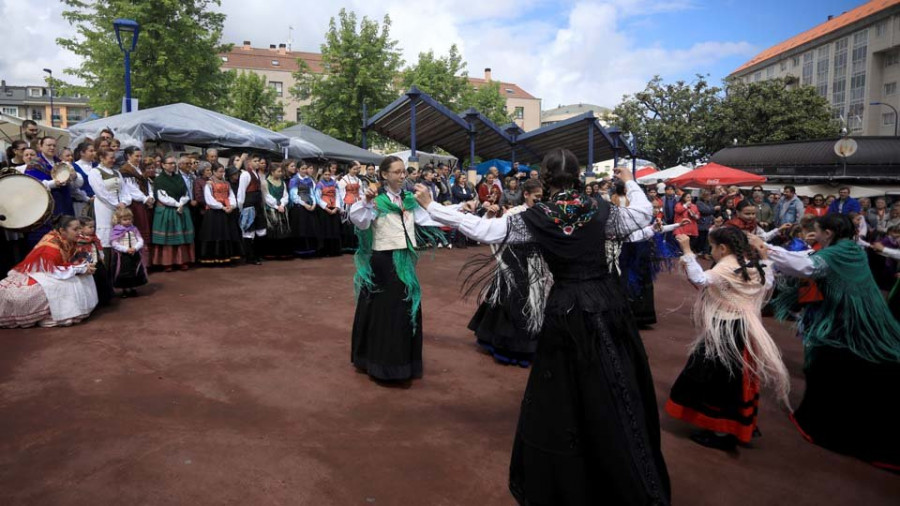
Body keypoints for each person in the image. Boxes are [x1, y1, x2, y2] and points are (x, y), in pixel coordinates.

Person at [417, 149, 670, 505]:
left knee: (565, 395)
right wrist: (631, 184)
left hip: (566, 308)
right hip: (607, 303)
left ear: (546, 178)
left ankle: (571, 477)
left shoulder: (536, 216)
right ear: (579, 175)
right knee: (616, 382)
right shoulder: (602, 210)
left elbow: (483, 229)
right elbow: (643, 215)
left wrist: (432, 206)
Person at [760, 214, 900, 470]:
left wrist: (764, 249)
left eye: (817, 230)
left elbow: (806, 268)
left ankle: (828, 424)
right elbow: (808, 263)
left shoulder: (837, 253)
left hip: (846, 324)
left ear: (829, 232)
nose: (814, 234)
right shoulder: (848, 248)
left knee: (832, 366)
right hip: (844, 319)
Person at [666, 229, 788, 451]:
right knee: (737, 377)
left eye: (712, 247)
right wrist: (765, 256)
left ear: (722, 248)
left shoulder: (726, 264)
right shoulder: (754, 263)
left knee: (719, 377)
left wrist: (687, 251)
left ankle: (721, 430)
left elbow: (700, 279)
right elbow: (768, 284)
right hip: (744, 327)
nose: (711, 251)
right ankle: (735, 424)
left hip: (726, 329)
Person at [347, 155, 445, 382]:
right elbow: (358, 220)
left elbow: (429, 217)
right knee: (385, 311)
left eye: (404, 172)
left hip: (406, 261)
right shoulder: (376, 201)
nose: (402, 176)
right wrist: (366, 202)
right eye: (397, 172)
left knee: (406, 307)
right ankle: (381, 364)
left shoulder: (410, 200)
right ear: (384, 175)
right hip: (384, 262)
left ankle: (403, 362)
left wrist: (462, 211)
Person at [467, 178, 543, 367]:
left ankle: (524, 344)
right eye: (536, 197)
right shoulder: (514, 213)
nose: (540, 200)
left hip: (533, 261)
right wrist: (490, 216)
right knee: (510, 299)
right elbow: (492, 230)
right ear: (526, 195)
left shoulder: (544, 213)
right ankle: (504, 343)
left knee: (530, 301)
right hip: (513, 260)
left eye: (542, 197)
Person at [0, 215, 98, 328]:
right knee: (62, 286)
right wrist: (81, 268)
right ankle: (54, 314)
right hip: (40, 273)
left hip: (51, 271)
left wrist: (83, 265)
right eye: (75, 229)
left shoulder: (66, 239)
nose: (79, 232)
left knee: (82, 277)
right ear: (62, 230)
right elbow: (53, 270)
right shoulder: (50, 247)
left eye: (80, 228)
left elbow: (69, 260)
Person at [151, 156, 195, 271]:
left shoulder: (179, 178)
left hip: (181, 209)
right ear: (163, 165)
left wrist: (181, 203)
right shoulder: (159, 179)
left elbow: (186, 193)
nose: (173, 165)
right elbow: (162, 196)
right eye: (170, 163)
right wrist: (177, 204)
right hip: (168, 209)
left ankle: (182, 260)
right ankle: (167, 262)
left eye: (174, 163)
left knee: (182, 236)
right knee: (168, 237)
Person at [87, 149, 131, 255]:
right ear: (102, 158)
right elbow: (101, 192)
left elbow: (124, 189)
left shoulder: (116, 172)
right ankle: (105, 261)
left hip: (119, 208)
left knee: (120, 233)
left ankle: (119, 263)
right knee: (106, 233)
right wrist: (116, 204)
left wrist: (125, 202)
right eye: (111, 157)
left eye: (114, 157)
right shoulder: (95, 172)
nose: (113, 160)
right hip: (104, 207)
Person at [198, 163, 243, 265]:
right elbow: (209, 199)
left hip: (227, 211)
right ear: (214, 172)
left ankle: (228, 257)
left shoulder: (226, 183)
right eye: (220, 171)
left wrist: (232, 206)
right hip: (214, 212)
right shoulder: (209, 184)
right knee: (215, 234)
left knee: (228, 233)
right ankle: (214, 258)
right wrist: (221, 207)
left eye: (223, 172)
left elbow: (231, 195)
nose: (222, 174)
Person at [118, 146, 155, 267]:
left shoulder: (138, 169)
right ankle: (136, 264)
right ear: (129, 156)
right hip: (134, 204)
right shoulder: (125, 170)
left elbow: (147, 182)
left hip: (143, 203)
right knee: (137, 231)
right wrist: (145, 199)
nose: (139, 158)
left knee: (144, 229)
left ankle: (145, 263)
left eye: (140, 156)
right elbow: (131, 189)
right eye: (136, 156)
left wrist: (150, 196)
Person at [108, 208, 148, 297]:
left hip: (134, 253)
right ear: (119, 220)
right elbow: (114, 243)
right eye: (125, 219)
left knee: (134, 271)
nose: (127, 221)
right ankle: (125, 290)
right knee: (124, 272)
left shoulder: (134, 229)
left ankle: (133, 288)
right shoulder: (116, 230)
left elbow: (140, 239)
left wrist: (135, 247)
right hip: (123, 256)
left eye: (129, 219)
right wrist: (126, 249)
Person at [236, 153, 267, 265]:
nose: (257, 163)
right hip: (249, 206)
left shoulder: (256, 174)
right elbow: (241, 192)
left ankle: (257, 254)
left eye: (258, 161)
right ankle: (250, 256)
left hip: (257, 205)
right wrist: (241, 207)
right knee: (249, 231)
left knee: (261, 231)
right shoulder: (245, 175)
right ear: (249, 163)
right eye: (255, 161)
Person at [75, 217, 112, 306]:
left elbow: (99, 248)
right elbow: (81, 253)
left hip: (98, 262)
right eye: (90, 227)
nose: (93, 229)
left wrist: (101, 256)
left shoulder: (94, 238)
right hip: (89, 264)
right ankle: (95, 300)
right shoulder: (79, 240)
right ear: (81, 228)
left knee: (103, 280)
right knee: (93, 283)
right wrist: (89, 262)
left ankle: (105, 298)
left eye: (93, 227)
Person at [259, 163, 292, 259]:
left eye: (281, 171)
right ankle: (271, 253)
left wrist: (282, 204)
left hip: (281, 209)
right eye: (278, 171)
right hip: (272, 210)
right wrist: (276, 206)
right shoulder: (265, 183)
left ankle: (282, 252)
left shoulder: (282, 182)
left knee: (283, 231)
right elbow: (266, 196)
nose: (280, 173)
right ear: (272, 172)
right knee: (273, 231)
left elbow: (285, 195)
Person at [289, 163, 321, 258]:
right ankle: (301, 251)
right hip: (300, 207)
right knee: (301, 229)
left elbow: (312, 193)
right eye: (302, 169)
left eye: (305, 168)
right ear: (298, 169)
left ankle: (311, 250)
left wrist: (314, 203)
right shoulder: (294, 180)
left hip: (310, 205)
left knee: (311, 228)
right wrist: (304, 204)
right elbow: (293, 195)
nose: (304, 170)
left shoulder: (309, 180)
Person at [315, 169, 343, 256]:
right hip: (324, 209)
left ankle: (334, 251)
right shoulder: (319, 184)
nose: (327, 176)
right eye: (325, 174)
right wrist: (326, 208)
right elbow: (317, 197)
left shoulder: (335, 183)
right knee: (325, 230)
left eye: (328, 174)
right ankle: (325, 250)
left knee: (334, 230)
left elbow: (338, 195)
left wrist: (336, 207)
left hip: (334, 207)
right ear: (323, 175)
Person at [338, 162, 363, 251]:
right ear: (349, 169)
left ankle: (356, 244)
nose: (356, 171)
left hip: (357, 203)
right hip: (348, 204)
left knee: (356, 223)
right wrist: (342, 206)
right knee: (348, 224)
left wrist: (363, 202)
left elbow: (361, 192)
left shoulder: (358, 180)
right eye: (354, 169)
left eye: (357, 169)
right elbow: (341, 194)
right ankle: (347, 245)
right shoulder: (343, 180)